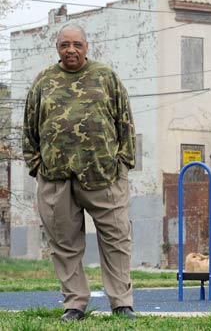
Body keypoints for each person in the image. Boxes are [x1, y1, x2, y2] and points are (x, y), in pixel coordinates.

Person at [22, 23, 137, 321]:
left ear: (87, 47)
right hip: (56, 178)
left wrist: (123, 160)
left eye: (77, 44)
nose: (70, 50)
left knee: (116, 239)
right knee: (64, 244)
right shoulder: (43, 81)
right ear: (57, 48)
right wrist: (37, 165)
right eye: (64, 45)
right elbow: (29, 127)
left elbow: (125, 120)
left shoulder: (105, 77)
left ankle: (121, 303)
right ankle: (75, 303)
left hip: (104, 175)